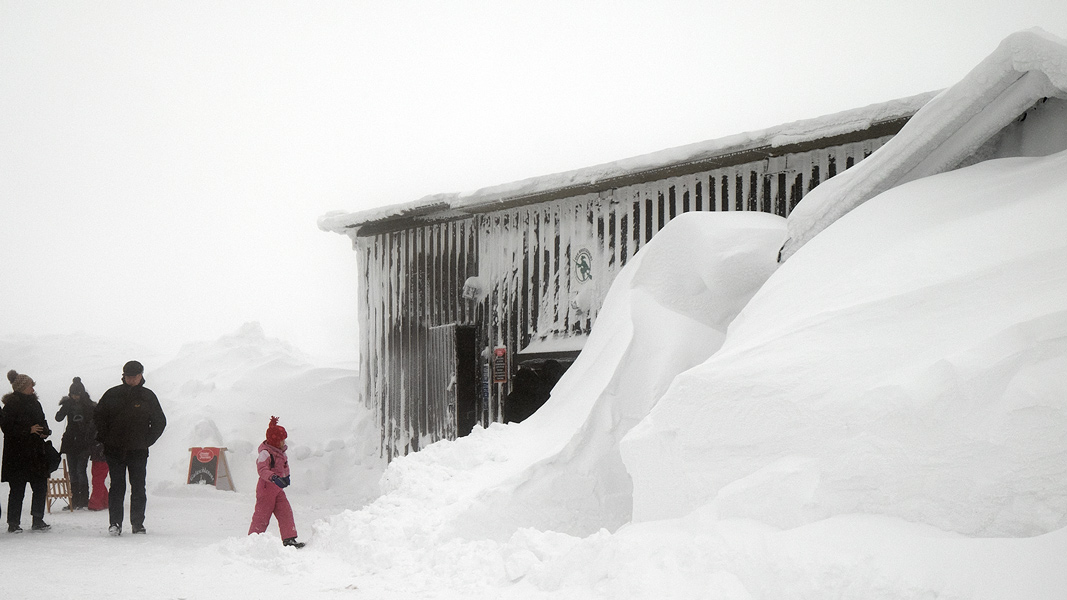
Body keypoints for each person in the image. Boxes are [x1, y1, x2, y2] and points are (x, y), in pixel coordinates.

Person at [94, 360, 166, 536]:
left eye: (134, 376)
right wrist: (106, 439)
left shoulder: (148, 396)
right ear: (123, 376)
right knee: (117, 487)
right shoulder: (112, 394)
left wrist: (146, 440)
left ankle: (138, 523)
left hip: (138, 451)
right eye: (128, 376)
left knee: (138, 487)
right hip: (114, 450)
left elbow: (159, 422)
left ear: (141, 375)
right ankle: (115, 523)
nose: (131, 379)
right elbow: (98, 417)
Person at [2, 370, 53, 532]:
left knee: (40, 487)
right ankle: (13, 523)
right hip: (17, 454)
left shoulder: (35, 403)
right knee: (17, 489)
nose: (33, 388)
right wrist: (28, 429)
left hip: (36, 452)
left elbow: (42, 421)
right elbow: (7, 428)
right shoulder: (11, 405)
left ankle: (38, 519)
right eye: (31, 385)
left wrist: (45, 431)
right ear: (22, 387)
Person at [248, 416, 305, 548]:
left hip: (278, 489)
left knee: (285, 512)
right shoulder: (265, 453)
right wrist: (273, 477)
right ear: (274, 441)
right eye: (281, 440)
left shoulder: (281, 452)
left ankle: (289, 538)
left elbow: (285, 466)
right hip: (266, 488)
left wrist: (286, 476)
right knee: (262, 516)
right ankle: (253, 541)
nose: (283, 442)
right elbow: (262, 469)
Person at [55, 377, 96, 510]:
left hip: (83, 442)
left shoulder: (89, 406)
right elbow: (58, 418)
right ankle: (74, 500)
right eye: (73, 394)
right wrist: (65, 407)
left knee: (80, 471)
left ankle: (83, 500)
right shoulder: (69, 404)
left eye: (77, 394)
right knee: (72, 471)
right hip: (71, 442)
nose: (75, 397)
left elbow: (95, 423)